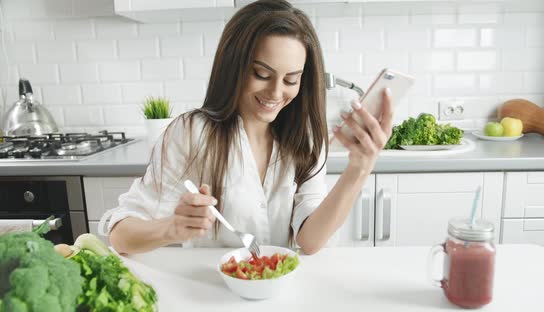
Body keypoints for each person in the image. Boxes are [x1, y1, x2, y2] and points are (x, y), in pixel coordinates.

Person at [105, 0, 394, 256]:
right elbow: (120, 234)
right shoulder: (190, 132)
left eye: (291, 80)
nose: (275, 93)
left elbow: (310, 240)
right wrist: (171, 228)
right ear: (233, 67)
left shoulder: (305, 136)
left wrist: (360, 167)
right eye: (262, 74)